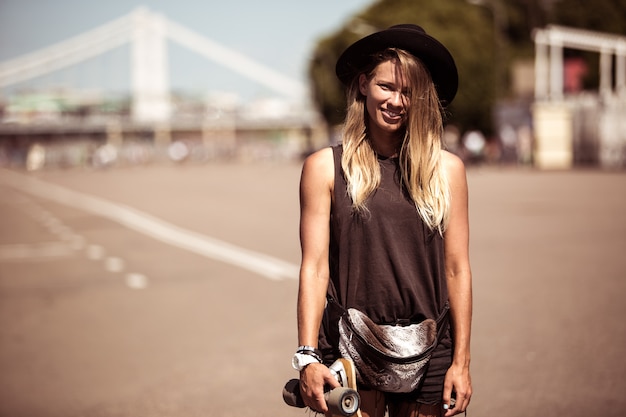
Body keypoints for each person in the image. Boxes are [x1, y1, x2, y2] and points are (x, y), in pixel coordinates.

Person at [294, 24, 473, 417]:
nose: (396, 101)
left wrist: (461, 362)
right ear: (363, 85)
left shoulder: (447, 170)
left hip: (432, 348)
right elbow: (315, 267)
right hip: (349, 347)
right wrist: (307, 356)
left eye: (408, 91)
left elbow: (457, 270)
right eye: (386, 86)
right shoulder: (325, 167)